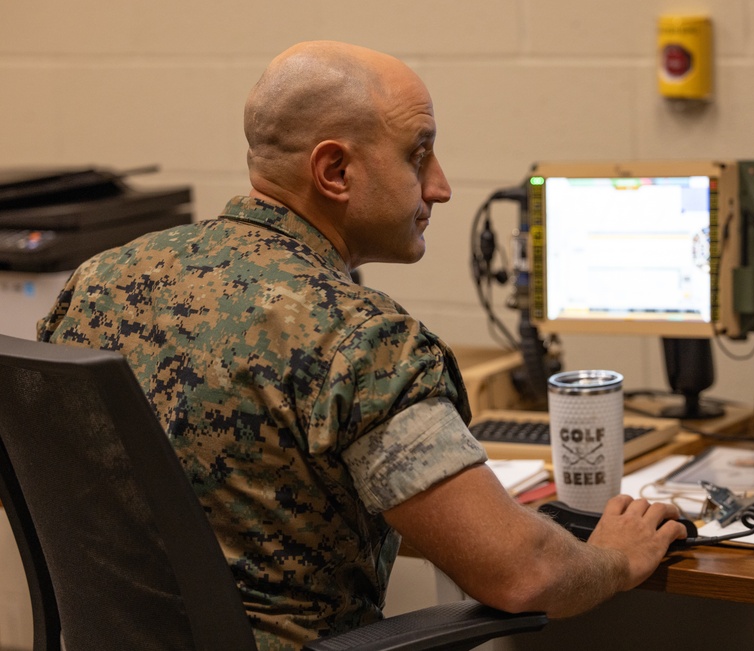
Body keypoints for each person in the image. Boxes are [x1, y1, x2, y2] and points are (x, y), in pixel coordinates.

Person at [37, 40, 687, 650]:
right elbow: (524, 573)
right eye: (418, 153)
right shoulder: (357, 337)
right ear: (335, 170)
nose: (440, 185)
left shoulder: (97, 281)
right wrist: (616, 556)